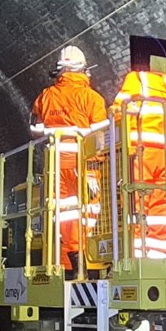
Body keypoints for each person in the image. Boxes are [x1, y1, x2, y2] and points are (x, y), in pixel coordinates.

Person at [31, 46, 107, 275]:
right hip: (84, 163)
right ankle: (85, 261)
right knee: (89, 212)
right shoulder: (92, 98)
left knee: (65, 214)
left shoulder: (45, 96)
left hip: (56, 165)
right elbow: (101, 138)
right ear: (84, 69)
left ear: (60, 70)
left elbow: (35, 127)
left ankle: (69, 264)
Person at [111, 70, 166, 259]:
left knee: (137, 206)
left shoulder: (137, 78)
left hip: (141, 151)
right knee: (161, 207)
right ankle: (159, 258)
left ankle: (136, 258)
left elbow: (118, 113)